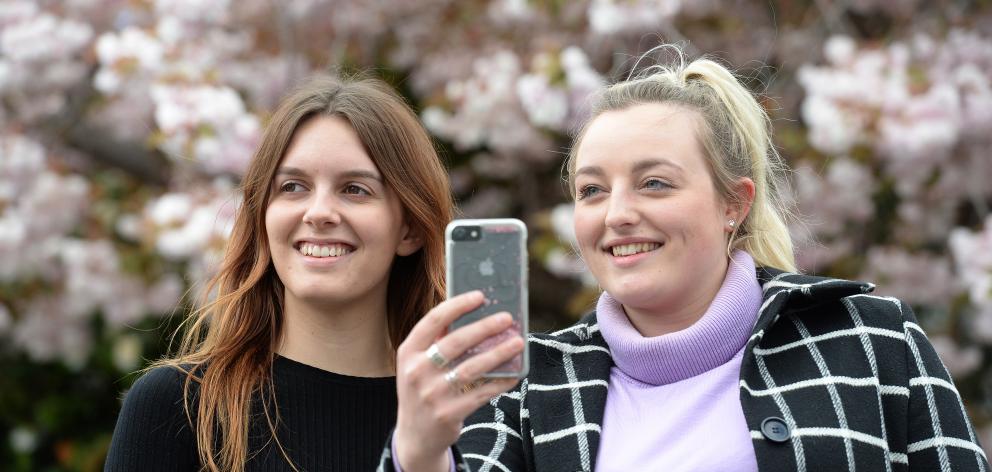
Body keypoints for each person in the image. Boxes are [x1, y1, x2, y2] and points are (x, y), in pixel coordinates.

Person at [386, 46, 990, 471]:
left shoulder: (871, 338)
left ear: (734, 203)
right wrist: (418, 454)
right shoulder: (525, 391)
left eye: (654, 183)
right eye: (592, 190)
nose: (616, 212)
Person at [104, 74, 458, 471]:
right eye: (292, 186)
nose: (319, 212)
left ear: (408, 228)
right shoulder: (179, 407)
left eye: (355, 189)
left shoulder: (466, 413)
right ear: (263, 217)